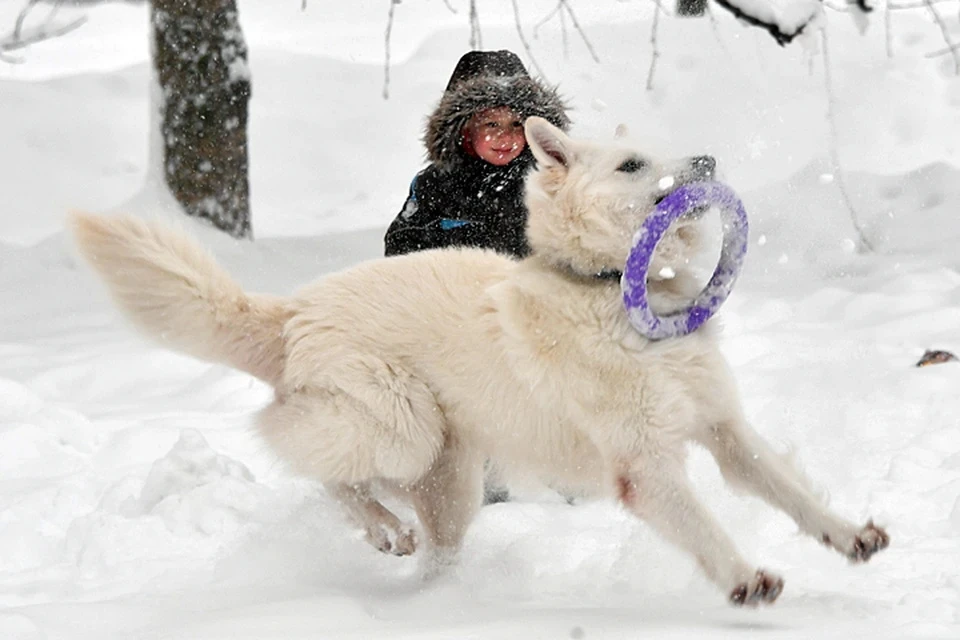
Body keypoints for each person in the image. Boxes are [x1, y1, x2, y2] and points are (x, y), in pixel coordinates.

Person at [384, 49, 571, 259]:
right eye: (491, 124)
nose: (505, 136)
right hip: (456, 287)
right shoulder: (435, 185)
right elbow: (401, 246)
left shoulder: (548, 182)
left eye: (516, 124)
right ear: (464, 131)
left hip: (529, 289)